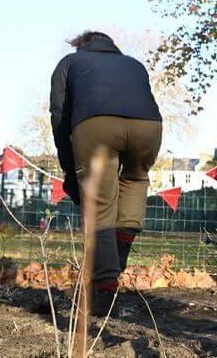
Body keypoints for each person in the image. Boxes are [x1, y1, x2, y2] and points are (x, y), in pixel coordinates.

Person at [50, 31, 162, 310]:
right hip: (149, 126)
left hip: (96, 124)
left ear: (81, 46)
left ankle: (103, 292)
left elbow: (60, 116)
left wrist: (70, 169)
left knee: (100, 204)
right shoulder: (134, 64)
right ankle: (118, 250)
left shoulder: (70, 63)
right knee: (136, 180)